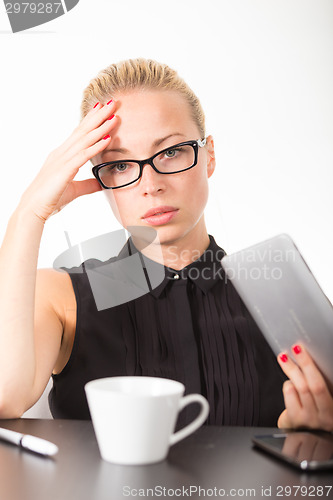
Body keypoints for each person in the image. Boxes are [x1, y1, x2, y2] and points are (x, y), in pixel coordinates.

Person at [0, 58, 332, 431]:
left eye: (171, 151)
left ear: (208, 155)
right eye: (120, 165)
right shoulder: (61, 297)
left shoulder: (279, 295)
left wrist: (301, 431)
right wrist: (29, 213)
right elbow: (5, 396)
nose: (151, 184)